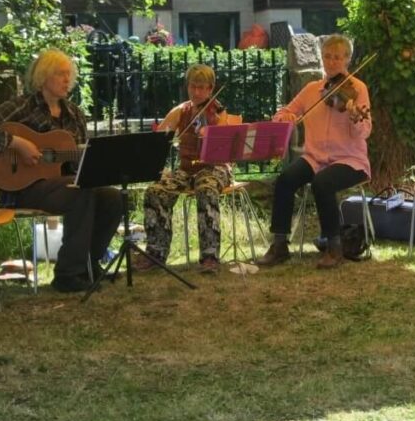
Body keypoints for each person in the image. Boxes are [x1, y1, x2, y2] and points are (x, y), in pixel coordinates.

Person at [0, 49, 124, 293]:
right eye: (60, 74)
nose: (67, 80)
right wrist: (17, 143)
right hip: (22, 187)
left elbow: (78, 164)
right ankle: (67, 275)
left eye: (68, 74)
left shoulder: (74, 114)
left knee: (113, 197)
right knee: (80, 191)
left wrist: (96, 159)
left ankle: (88, 265)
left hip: (59, 185)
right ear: (43, 77)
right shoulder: (22, 106)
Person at [256, 34, 371, 270]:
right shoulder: (312, 90)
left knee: (322, 183)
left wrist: (354, 116)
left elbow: (365, 132)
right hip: (315, 157)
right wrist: (285, 117)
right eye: (327, 57)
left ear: (347, 60)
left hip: (350, 160)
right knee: (285, 179)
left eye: (337, 58)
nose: (331, 62)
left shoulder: (357, 89)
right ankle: (279, 244)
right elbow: (284, 112)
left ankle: (334, 247)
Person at [137, 64, 232, 274]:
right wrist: (159, 169)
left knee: (206, 189)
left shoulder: (219, 113)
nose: (197, 92)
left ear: (210, 89)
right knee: (155, 191)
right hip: (187, 169)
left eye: (202, 88)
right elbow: (158, 141)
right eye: (193, 87)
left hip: (214, 168)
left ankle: (210, 256)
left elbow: (227, 148)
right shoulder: (181, 111)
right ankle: (156, 253)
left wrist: (212, 133)